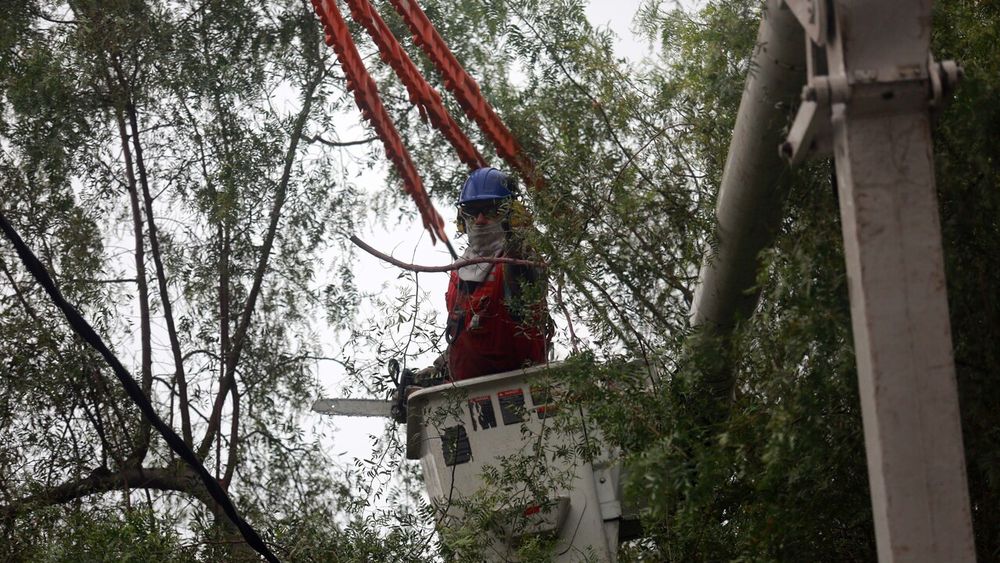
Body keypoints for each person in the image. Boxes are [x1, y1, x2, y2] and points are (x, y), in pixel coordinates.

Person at [442, 167, 549, 381]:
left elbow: (531, 277)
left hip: (520, 385)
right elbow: (462, 338)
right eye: (472, 211)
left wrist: (521, 235)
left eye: (491, 211)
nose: (480, 220)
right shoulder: (458, 272)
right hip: (466, 390)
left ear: (511, 215)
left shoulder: (519, 260)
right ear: (462, 218)